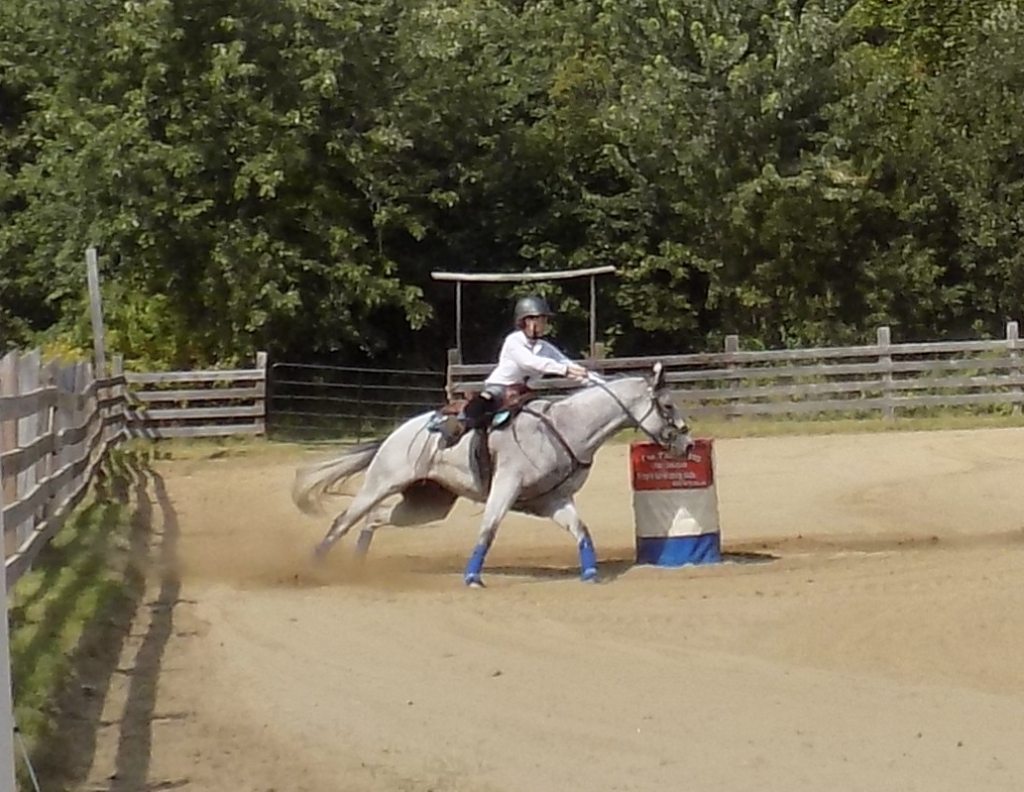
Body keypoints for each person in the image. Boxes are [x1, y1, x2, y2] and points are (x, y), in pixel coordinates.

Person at [438, 294, 592, 447]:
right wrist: (565, 370)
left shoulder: (545, 347)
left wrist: (594, 380)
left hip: (523, 391)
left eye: (544, 320)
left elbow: (566, 361)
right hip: (500, 387)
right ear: (527, 321)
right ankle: (458, 423)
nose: (544, 324)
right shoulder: (513, 341)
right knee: (485, 400)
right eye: (541, 320)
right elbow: (531, 363)